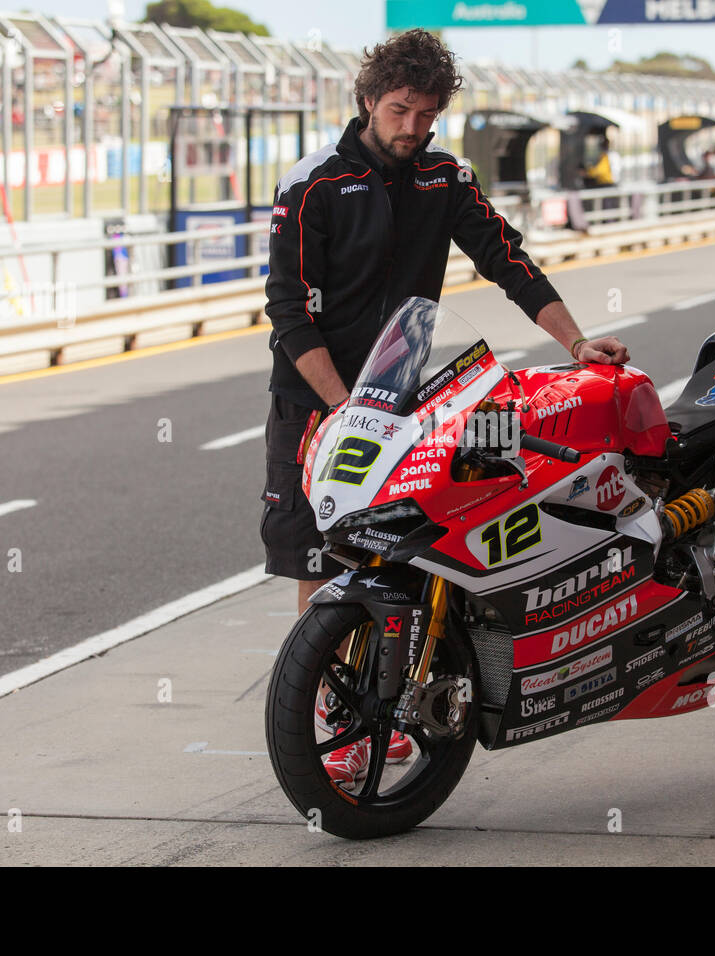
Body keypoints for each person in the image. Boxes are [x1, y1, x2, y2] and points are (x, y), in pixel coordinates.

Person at [260, 29, 630, 787]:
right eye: (400, 111)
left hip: (405, 398)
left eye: (427, 115)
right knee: (324, 564)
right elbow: (288, 310)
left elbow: (508, 260)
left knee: (407, 548)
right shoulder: (313, 183)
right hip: (317, 405)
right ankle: (336, 712)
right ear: (369, 100)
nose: (413, 128)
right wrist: (341, 410)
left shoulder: (443, 176)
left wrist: (577, 341)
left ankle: (398, 695)